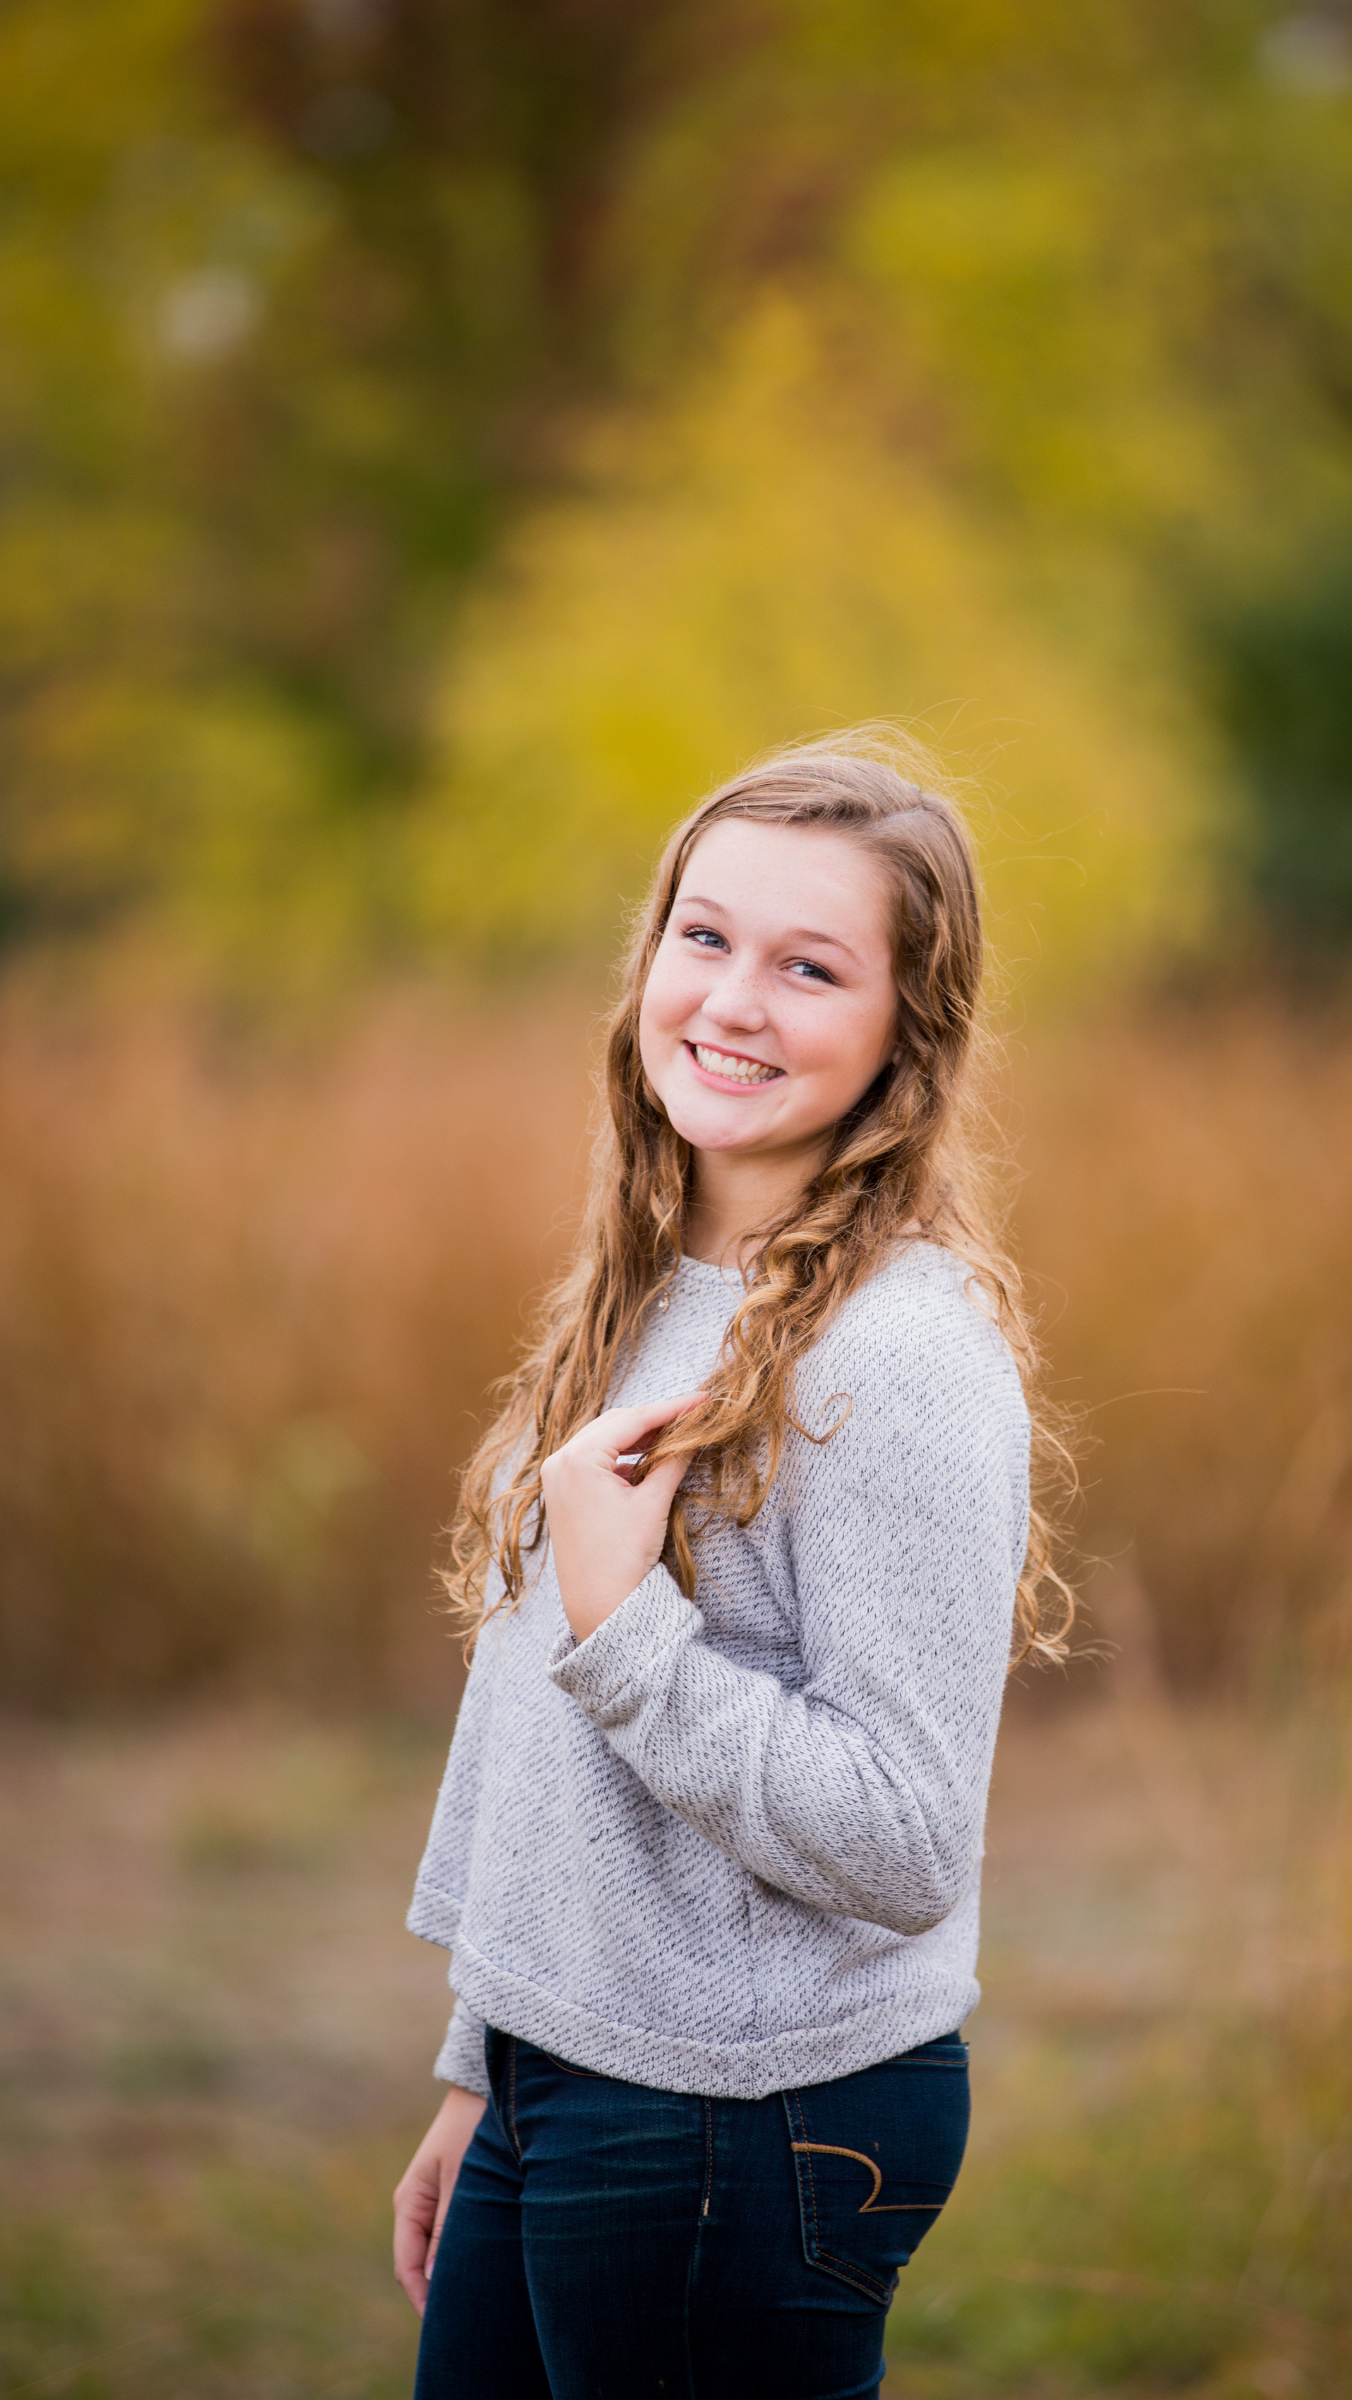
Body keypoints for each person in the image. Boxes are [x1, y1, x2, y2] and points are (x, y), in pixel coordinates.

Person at [392, 731, 1071, 2399]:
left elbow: (907, 1838)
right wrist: (485, 2063)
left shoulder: (896, 1351)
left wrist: (631, 1628)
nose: (735, 1001)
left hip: (743, 2116)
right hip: (568, 2071)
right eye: (704, 937)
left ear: (909, 1030)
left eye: (810, 966)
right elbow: (540, 1740)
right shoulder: (650, 1286)